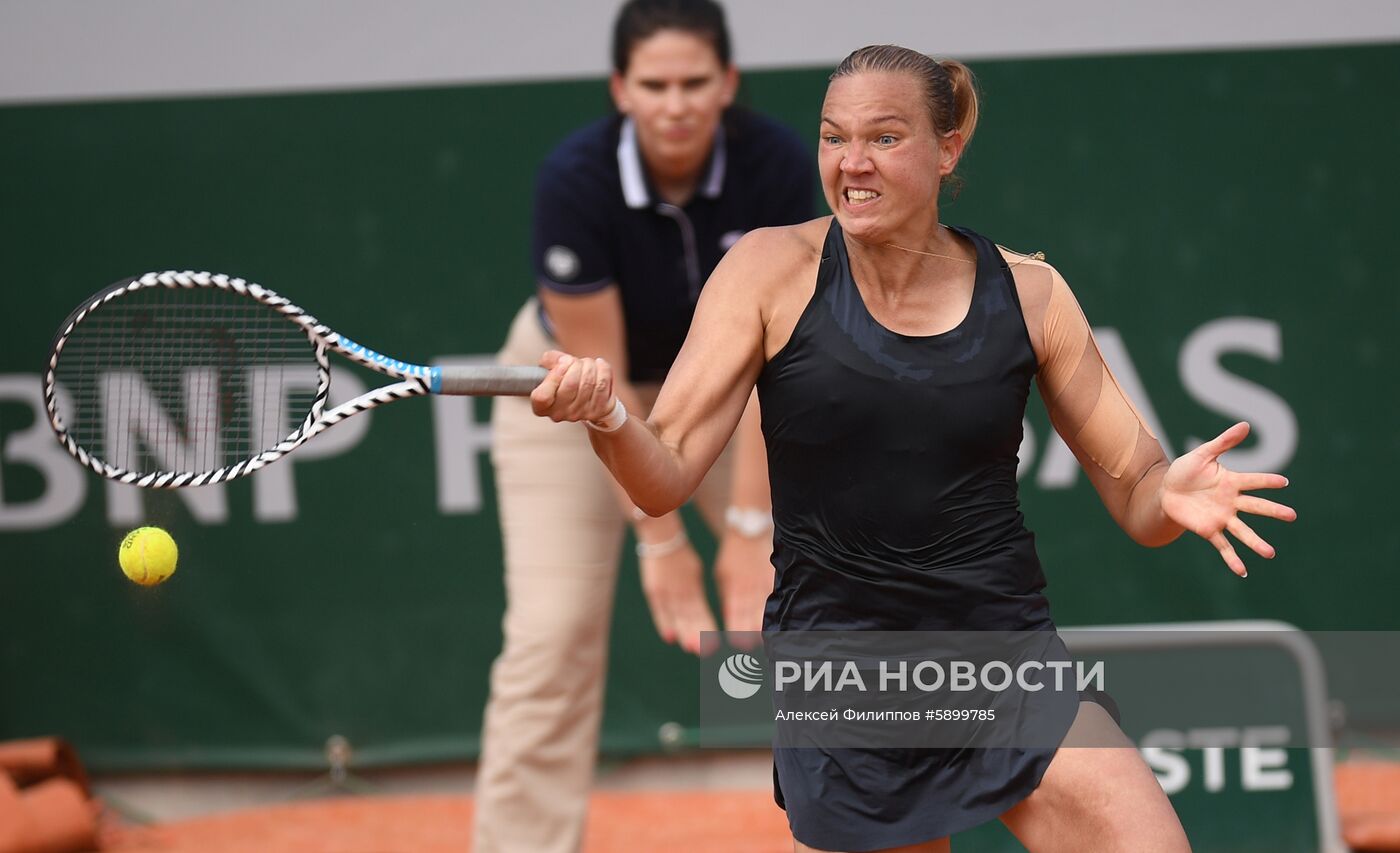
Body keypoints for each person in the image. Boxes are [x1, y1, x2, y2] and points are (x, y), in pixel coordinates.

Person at [529, 44, 1296, 853]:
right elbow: (666, 472)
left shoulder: (1031, 294)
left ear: (947, 148)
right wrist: (611, 416)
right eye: (833, 138)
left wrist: (1167, 494)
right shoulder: (765, 272)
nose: (852, 163)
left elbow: (1138, 492)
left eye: (885, 139)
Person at [475, 1, 813, 850]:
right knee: (549, 638)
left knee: (815, 607)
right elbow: (607, 390)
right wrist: (660, 543)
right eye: (654, 84)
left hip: (731, 385)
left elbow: (782, 360)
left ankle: (875, 829)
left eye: (695, 82)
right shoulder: (575, 181)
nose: (675, 104)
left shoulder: (772, 164)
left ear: (727, 84)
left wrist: (747, 528)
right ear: (621, 89)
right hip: (573, 390)